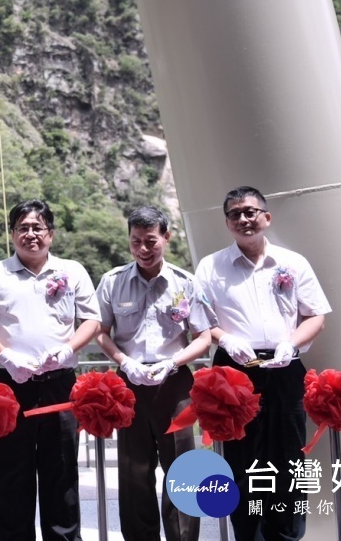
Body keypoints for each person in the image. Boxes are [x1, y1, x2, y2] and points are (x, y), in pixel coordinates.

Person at [194, 186, 330, 541]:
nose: (244, 219)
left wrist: (290, 343)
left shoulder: (293, 262)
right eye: (235, 214)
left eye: (250, 212)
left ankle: (286, 535)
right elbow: (201, 322)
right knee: (241, 458)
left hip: (285, 367)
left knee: (289, 456)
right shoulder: (211, 266)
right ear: (227, 223)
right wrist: (226, 339)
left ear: (266, 217)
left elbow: (315, 316)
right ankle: (248, 535)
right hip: (235, 372)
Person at [0, 199, 101, 541]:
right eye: (22, 228)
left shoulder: (72, 270)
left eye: (37, 227)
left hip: (59, 385)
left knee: (61, 472)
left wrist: (69, 348)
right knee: (10, 473)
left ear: (51, 234)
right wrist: (6, 355)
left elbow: (92, 319)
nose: (30, 234)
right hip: (10, 386)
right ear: (12, 234)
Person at [96, 206, 212, 541]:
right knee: (134, 471)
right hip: (128, 385)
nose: (143, 250)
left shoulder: (186, 283)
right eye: (136, 242)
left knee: (182, 468)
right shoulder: (113, 281)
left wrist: (173, 362)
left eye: (151, 241)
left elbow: (203, 336)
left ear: (166, 237)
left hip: (174, 384)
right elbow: (101, 331)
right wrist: (123, 361)